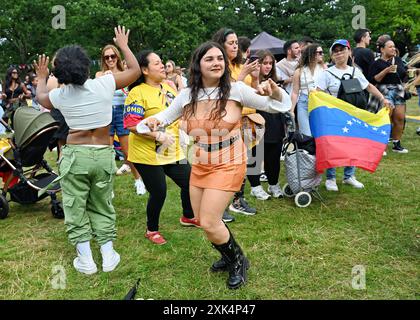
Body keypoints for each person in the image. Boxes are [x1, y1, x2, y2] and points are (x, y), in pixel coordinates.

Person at [140, 41, 291, 289]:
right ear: (198, 64)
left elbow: (279, 105)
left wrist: (273, 91)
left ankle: (238, 261)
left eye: (220, 58)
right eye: (209, 59)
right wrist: (151, 123)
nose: (217, 62)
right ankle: (227, 254)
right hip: (200, 161)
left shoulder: (236, 89)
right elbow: (164, 117)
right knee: (202, 219)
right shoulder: (188, 94)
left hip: (230, 160)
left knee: (210, 221)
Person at [34, 26, 141, 275]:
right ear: (85, 65)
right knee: (102, 204)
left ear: (61, 74)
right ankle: (108, 254)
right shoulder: (104, 84)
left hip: (76, 156)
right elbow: (135, 71)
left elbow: (40, 96)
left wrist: (41, 75)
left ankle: (86, 260)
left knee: (75, 206)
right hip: (103, 154)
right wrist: (123, 45)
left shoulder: (60, 95)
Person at [123, 50, 199, 245]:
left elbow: (179, 116)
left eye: (162, 62)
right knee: (159, 192)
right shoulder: (137, 92)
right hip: (147, 154)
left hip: (172, 150)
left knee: (190, 182)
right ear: (145, 70)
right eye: (156, 63)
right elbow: (131, 124)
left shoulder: (170, 89)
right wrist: (156, 134)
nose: (162, 65)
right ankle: (152, 229)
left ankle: (188, 216)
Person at [316, 39, 391, 192]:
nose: (339, 53)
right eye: (335, 51)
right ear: (331, 55)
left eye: (342, 50)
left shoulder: (356, 72)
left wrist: (383, 99)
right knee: (333, 146)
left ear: (349, 52)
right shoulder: (327, 74)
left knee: (352, 144)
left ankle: (349, 175)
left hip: (353, 115)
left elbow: (368, 86)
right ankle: (331, 178)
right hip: (334, 116)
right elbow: (318, 92)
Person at [212, 27, 261, 218]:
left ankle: (238, 200)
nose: (235, 46)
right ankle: (219, 205)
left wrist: (255, 79)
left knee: (243, 162)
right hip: (226, 121)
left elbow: (253, 94)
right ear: (221, 45)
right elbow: (224, 94)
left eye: (236, 43)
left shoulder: (242, 65)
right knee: (224, 163)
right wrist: (242, 77)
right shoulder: (218, 66)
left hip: (247, 120)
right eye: (231, 43)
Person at [95, 44, 146, 195]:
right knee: (107, 153)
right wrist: (107, 77)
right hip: (106, 113)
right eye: (107, 57)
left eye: (113, 56)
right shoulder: (100, 74)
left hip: (122, 113)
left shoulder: (125, 73)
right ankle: (108, 187)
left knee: (127, 152)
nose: (110, 59)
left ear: (117, 57)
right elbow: (97, 89)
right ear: (103, 59)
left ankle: (138, 181)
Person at [247, 49, 286, 200]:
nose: (268, 66)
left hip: (275, 121)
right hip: (256, 120)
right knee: (256, 154)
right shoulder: (250, 81)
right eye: (265, 63)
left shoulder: (276, 81)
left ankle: (273, 184)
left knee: (274, 155)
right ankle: (255, 187)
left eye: (270, 63)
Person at [368, 38, 409, 153]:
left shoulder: (398, 60)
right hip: (383, 90)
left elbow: (404, 74)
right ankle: (381, 145)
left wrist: (406, 80)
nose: (393, 48)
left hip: (398, 90)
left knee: (400, 117)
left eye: (394, 46)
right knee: (386, 118)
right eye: (390, 46)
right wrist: (386, 70)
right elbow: (372, 79)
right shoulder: (376, 63)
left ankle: (397, 144)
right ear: (382, 49)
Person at [291, 44, 326, 136]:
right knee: (306, 133)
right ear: (312, 54)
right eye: (320, 52)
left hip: (319, 102)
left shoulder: (324, 69)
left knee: (318, 133)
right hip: (304, 102)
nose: (322, 54)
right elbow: (295, 92)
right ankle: (307, 150)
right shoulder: (299, 71)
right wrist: (291, 110)